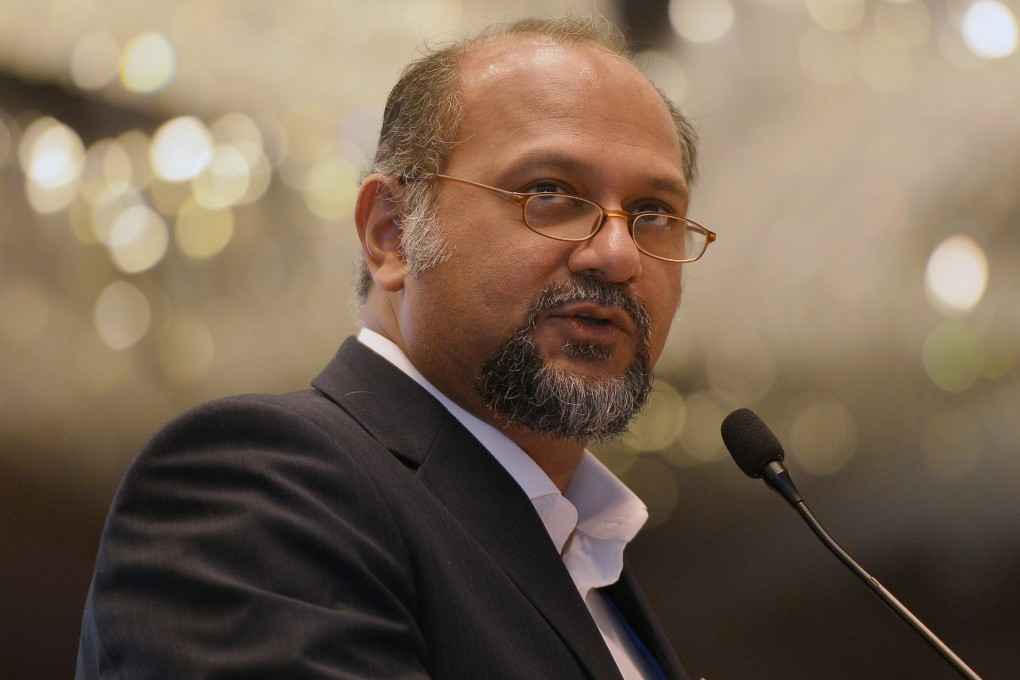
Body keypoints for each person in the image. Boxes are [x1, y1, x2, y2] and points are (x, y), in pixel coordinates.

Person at [76, 15, 715, 680]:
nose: (617, 254)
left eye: (654, 214)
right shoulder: (262, 487)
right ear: (392, 232)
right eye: (549, 192)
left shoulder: (588, 558)